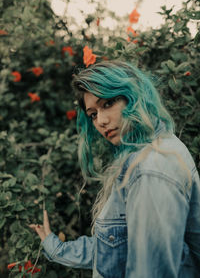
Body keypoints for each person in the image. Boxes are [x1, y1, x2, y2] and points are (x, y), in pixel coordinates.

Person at [30, 60, 200, 278]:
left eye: (108, 104)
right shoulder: (149, 151)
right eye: (92, 114)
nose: (100, 121)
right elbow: (116, 248)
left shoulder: (150, 169)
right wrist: (56, 248)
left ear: (132, 95)